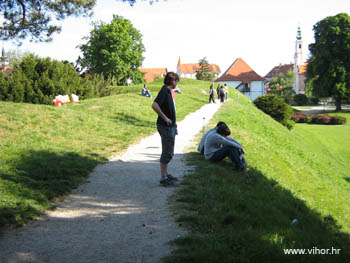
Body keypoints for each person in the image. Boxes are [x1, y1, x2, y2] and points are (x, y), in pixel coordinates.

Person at [152, 72, 180, 186]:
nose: (177, 83)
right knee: (167, 152)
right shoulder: (164, 91)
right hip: (165, 126)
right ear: (172, 81)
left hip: (170, 126)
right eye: (176, 81)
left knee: (169, 151)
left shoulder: (169, 91)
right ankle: (163, 178)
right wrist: (165, 118)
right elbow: (154, 105)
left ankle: (166, 174)